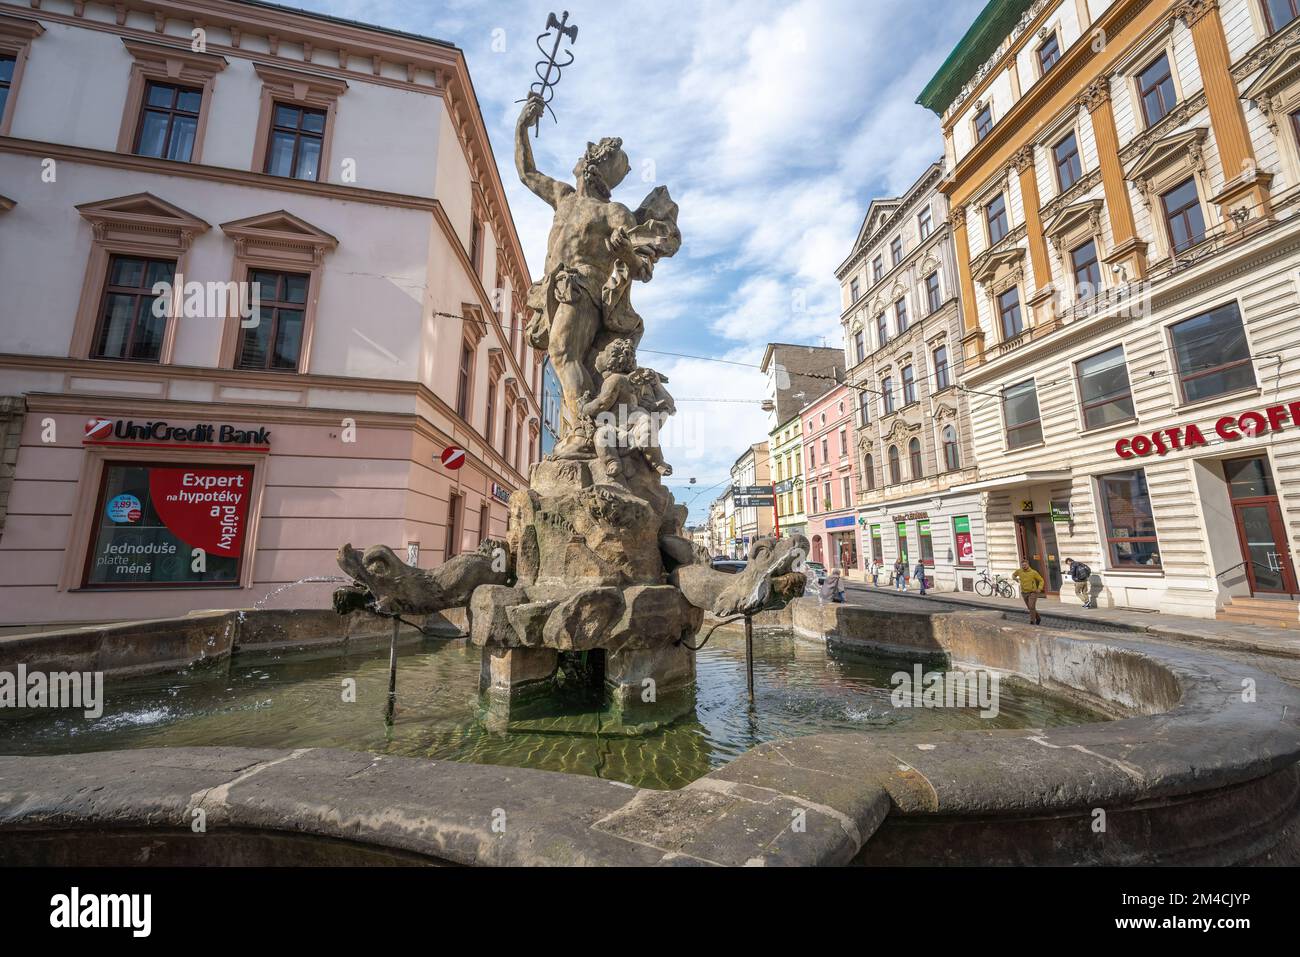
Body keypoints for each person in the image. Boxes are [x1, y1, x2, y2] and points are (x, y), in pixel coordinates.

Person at [1011, 559, 1045, 625]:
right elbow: (1013, 575)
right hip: (1024, 593)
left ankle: (1032, 621)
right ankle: (1038, 618)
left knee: (1031, 606)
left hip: (1032, 592)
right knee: (1030, 607)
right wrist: (1015, 579)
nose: (1024, 566)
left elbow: (1041, 580)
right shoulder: (1019, 571)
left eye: (1025, 565)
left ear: (1028, 565)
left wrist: (1039, 589)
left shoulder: (1033, 572)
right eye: (1022, 565)